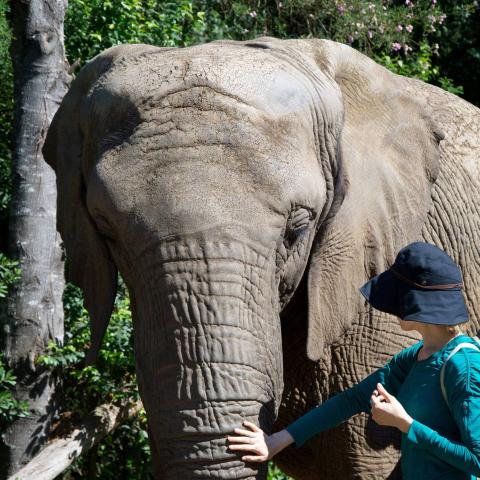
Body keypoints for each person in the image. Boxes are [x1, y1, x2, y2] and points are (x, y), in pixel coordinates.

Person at [227, 242, 480, 479]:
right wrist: (277, 441)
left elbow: (477, 460)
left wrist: (406, 424)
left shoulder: (463, 366)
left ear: (417, 302)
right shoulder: (417, 356)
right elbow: (352, 399)